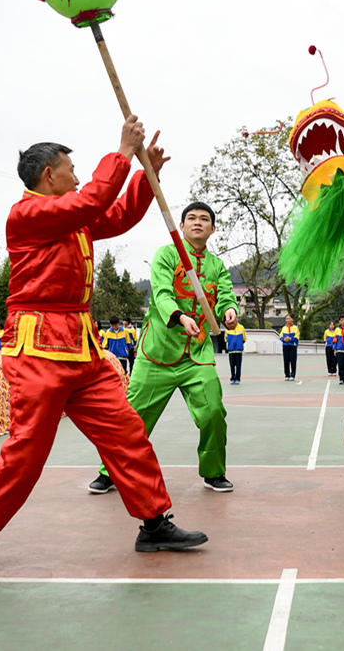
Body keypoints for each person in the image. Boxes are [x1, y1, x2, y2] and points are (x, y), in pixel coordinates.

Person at [0, 119, 208, 579]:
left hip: (81, 348)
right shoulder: (28, 215)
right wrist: (122, 153)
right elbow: (95, 198)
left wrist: (142, 177)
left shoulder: (70, 217)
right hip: (37, 349)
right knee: (27, 452)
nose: (77, 176)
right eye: (71, 169)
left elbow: (115, 216)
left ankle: (153, 523)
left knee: (126, 434)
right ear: (48, 176)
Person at [89, 201, 238, 495]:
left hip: (197, 356)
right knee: (133, 418)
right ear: (180, 226)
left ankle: (213, 471)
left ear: (213, 228)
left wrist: (229, 311)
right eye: (191, 218)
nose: (198, 222)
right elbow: (161, 294)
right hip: (156, 353)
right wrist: (180, 316)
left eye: (204, 219)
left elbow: (224, 295)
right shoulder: (167, 255)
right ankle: (110, 472)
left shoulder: (217, 266)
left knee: (213, 413)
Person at [280, 314, 299, 381]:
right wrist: (284, 339)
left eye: (289, 318)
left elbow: (297, 337)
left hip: (292, 346)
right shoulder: (284, 328)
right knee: (286, 360)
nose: (288, 320)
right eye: (287, 319)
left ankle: (292, 375)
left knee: (293, 361)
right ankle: (287, 375)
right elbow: (280, 337)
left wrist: (290, 339)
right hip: (285, 346)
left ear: (292, 319)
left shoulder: (295, 328)